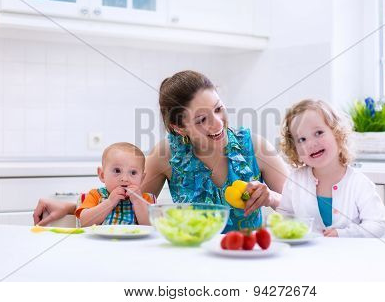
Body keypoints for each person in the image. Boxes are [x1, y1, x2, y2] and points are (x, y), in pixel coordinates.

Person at [33, 71, 289, 232]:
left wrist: (272, 199)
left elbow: (304, 208)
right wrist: (69, 208)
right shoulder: (166, 155)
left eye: (219, 109)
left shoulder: (255, 147)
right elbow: (126, 202)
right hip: (189, 261)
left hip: (247, 258)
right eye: (201, 119)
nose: (218, 123)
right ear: (178, 127)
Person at [278, 99, 385, 237]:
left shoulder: (359, 183)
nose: (311, 143)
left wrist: (344, 234)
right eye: (302, 139)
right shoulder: (295, 180)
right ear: (294, 148)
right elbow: (285, 215)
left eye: (318, 133)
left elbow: (377, 225)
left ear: (337, 134)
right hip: (307, 256)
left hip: (349, 256)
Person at [76, 142, 154, 227]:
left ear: (142, 179)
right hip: (101, 240)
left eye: (133, 172)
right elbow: (85, 223)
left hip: (134, 240)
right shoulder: (95, 195)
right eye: (117, 171)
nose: (125, 179)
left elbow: (151, 226)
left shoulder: (145, 199)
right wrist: (109, 202)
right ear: (102, 175)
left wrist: (138, 202)